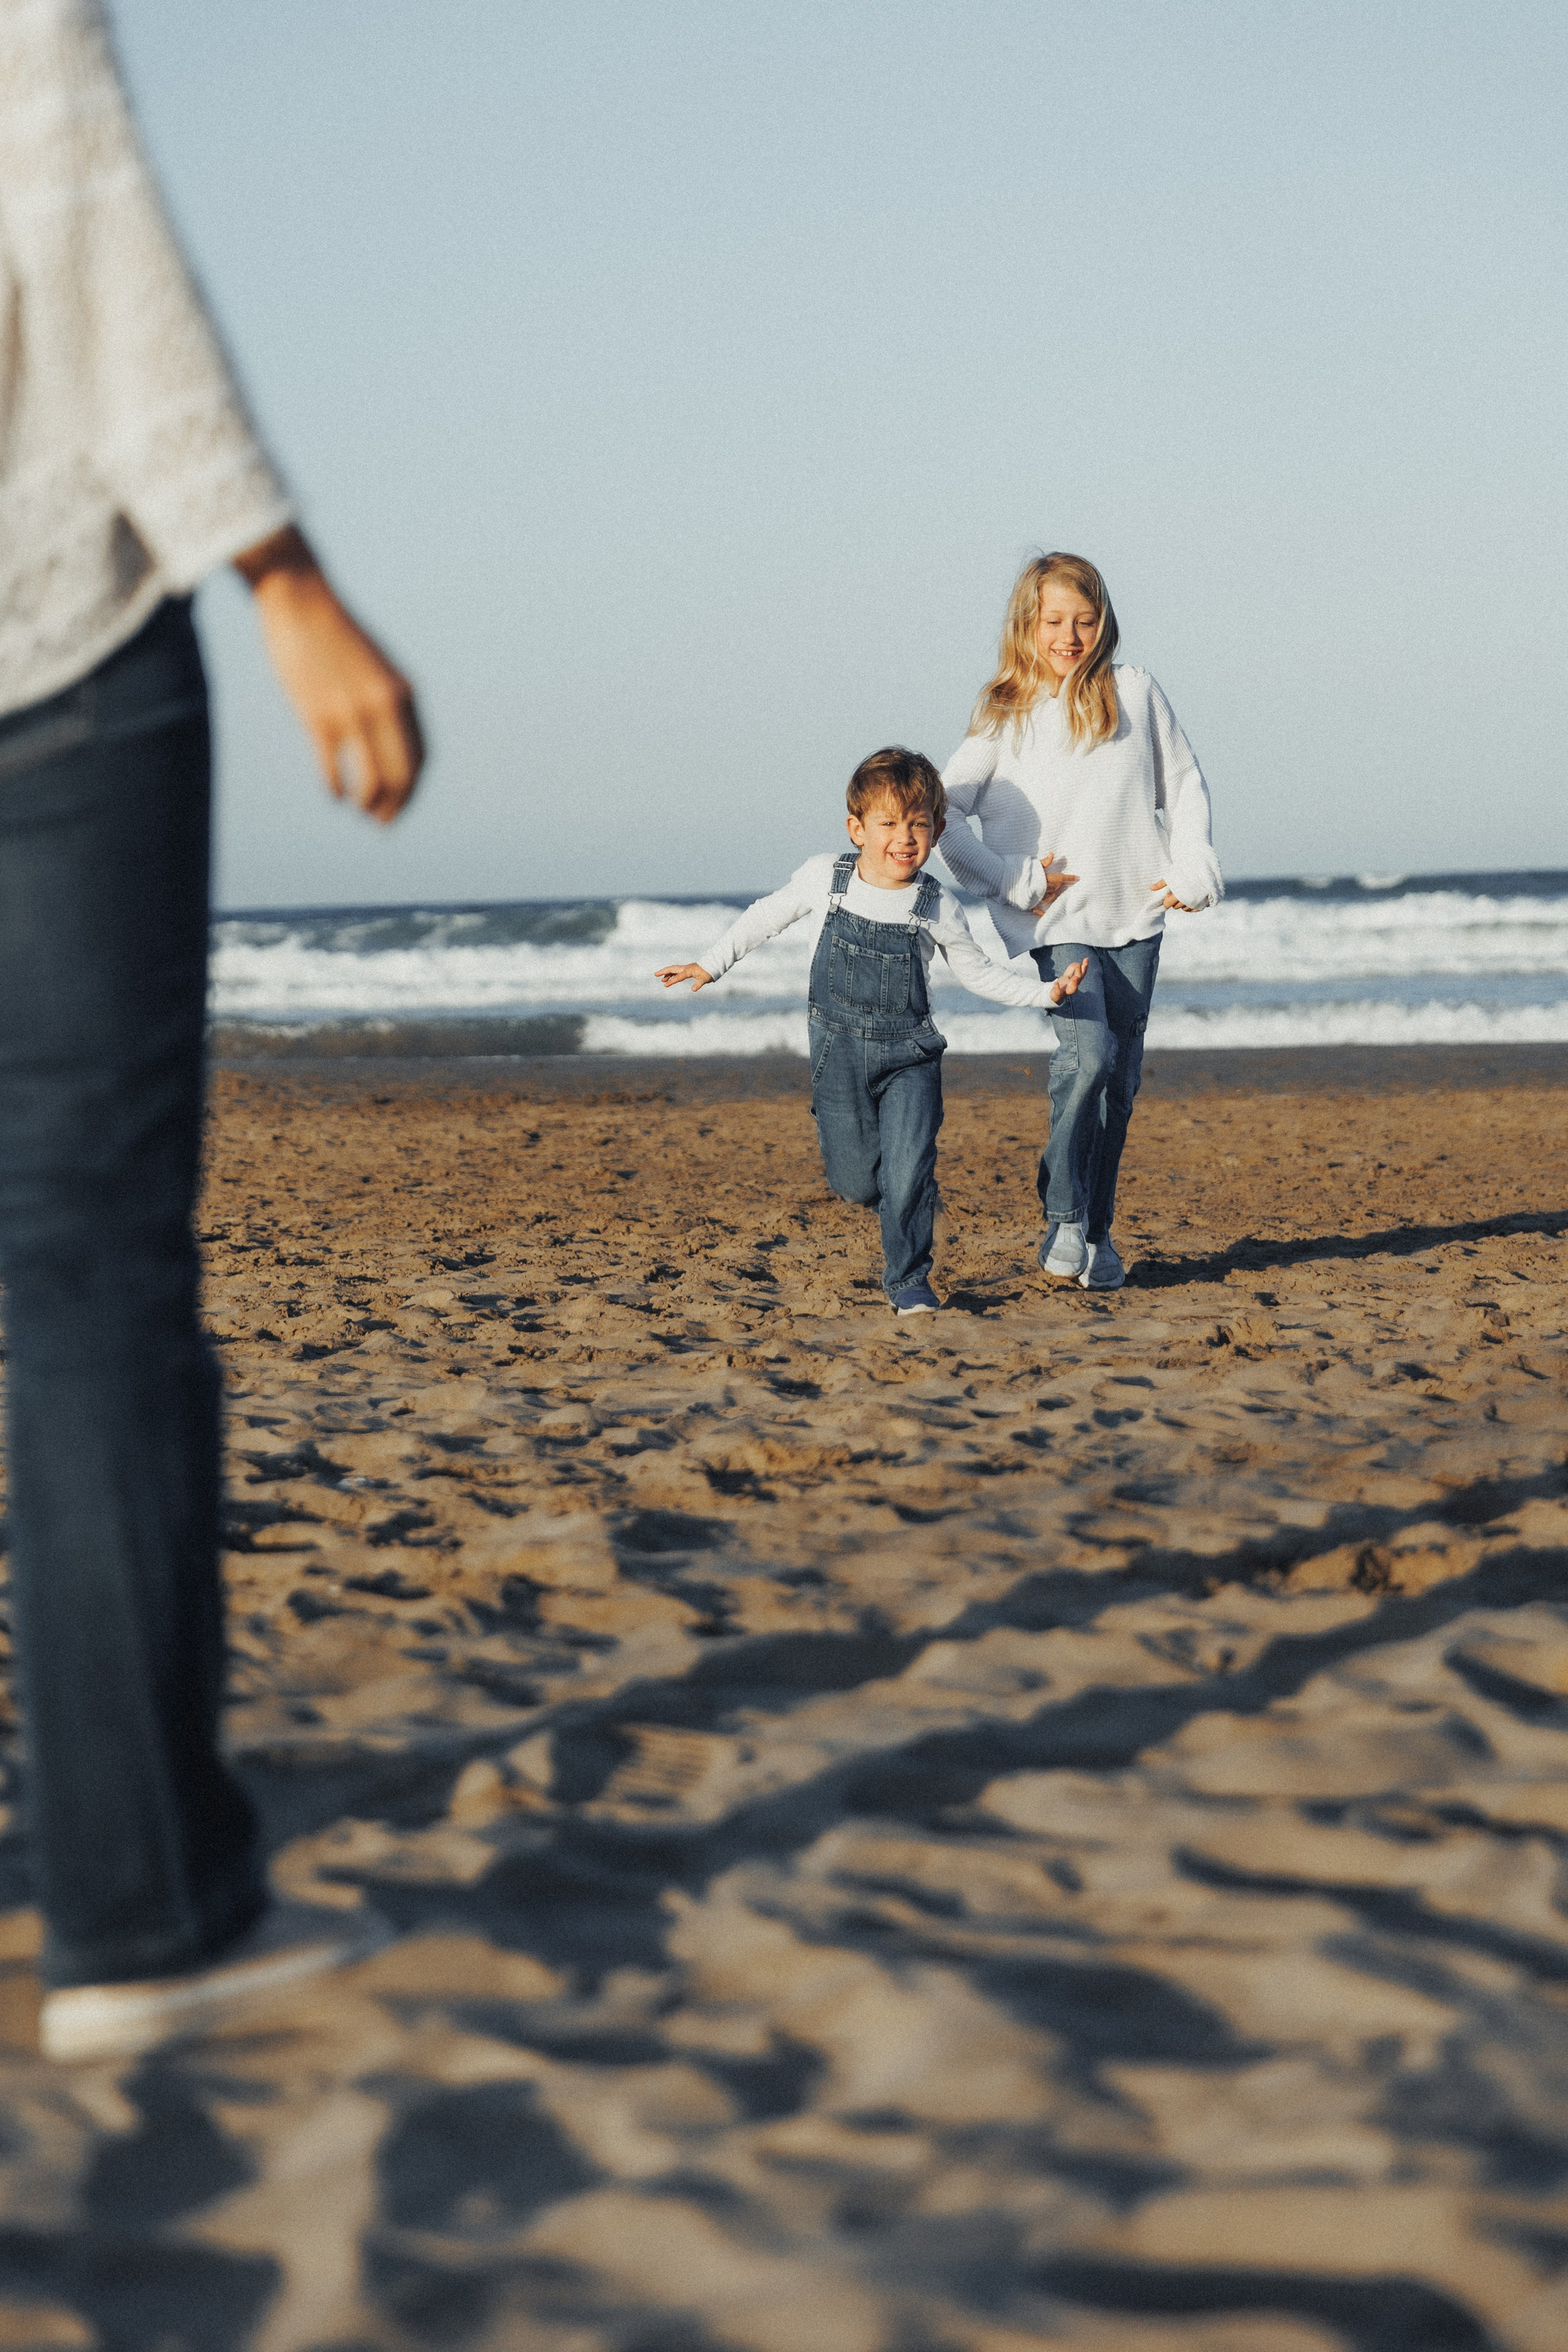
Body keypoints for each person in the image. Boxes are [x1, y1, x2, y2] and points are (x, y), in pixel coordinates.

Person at [0, 0, 424, 2061]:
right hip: (55, 657)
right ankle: (141, 1917)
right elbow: (93, 248)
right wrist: (290, 584)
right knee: (89, 1282)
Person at [656, 748, 1085, 1313]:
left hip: (911, 1057)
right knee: (857, 1184)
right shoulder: (825, 879)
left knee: (908, 1172)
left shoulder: (936, 904)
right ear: (857, 829)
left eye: (919, 824)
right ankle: (906, 1199)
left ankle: (909, 1281)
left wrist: (1044, 994)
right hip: (837, 1057)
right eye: (889, 823)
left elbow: (977, 973)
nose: (904, 838)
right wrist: (710, 964)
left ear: (937, 831)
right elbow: (765, 916)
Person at [940, 553, 1221, 1291]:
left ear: (1105, 623)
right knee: (1088, 1058)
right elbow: (943, 812)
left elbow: (1184, 785)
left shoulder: (1135, 691)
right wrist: (1011, 878)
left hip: (1137, 913)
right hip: (1057, 919)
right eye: (1055, 621)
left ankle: (1096, 1232)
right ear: (1026, 624)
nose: (1069, 636)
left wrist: (1192, 869)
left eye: (1085, 621)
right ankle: (1063, 1214)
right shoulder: (1003, 711)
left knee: (1118, 1083)